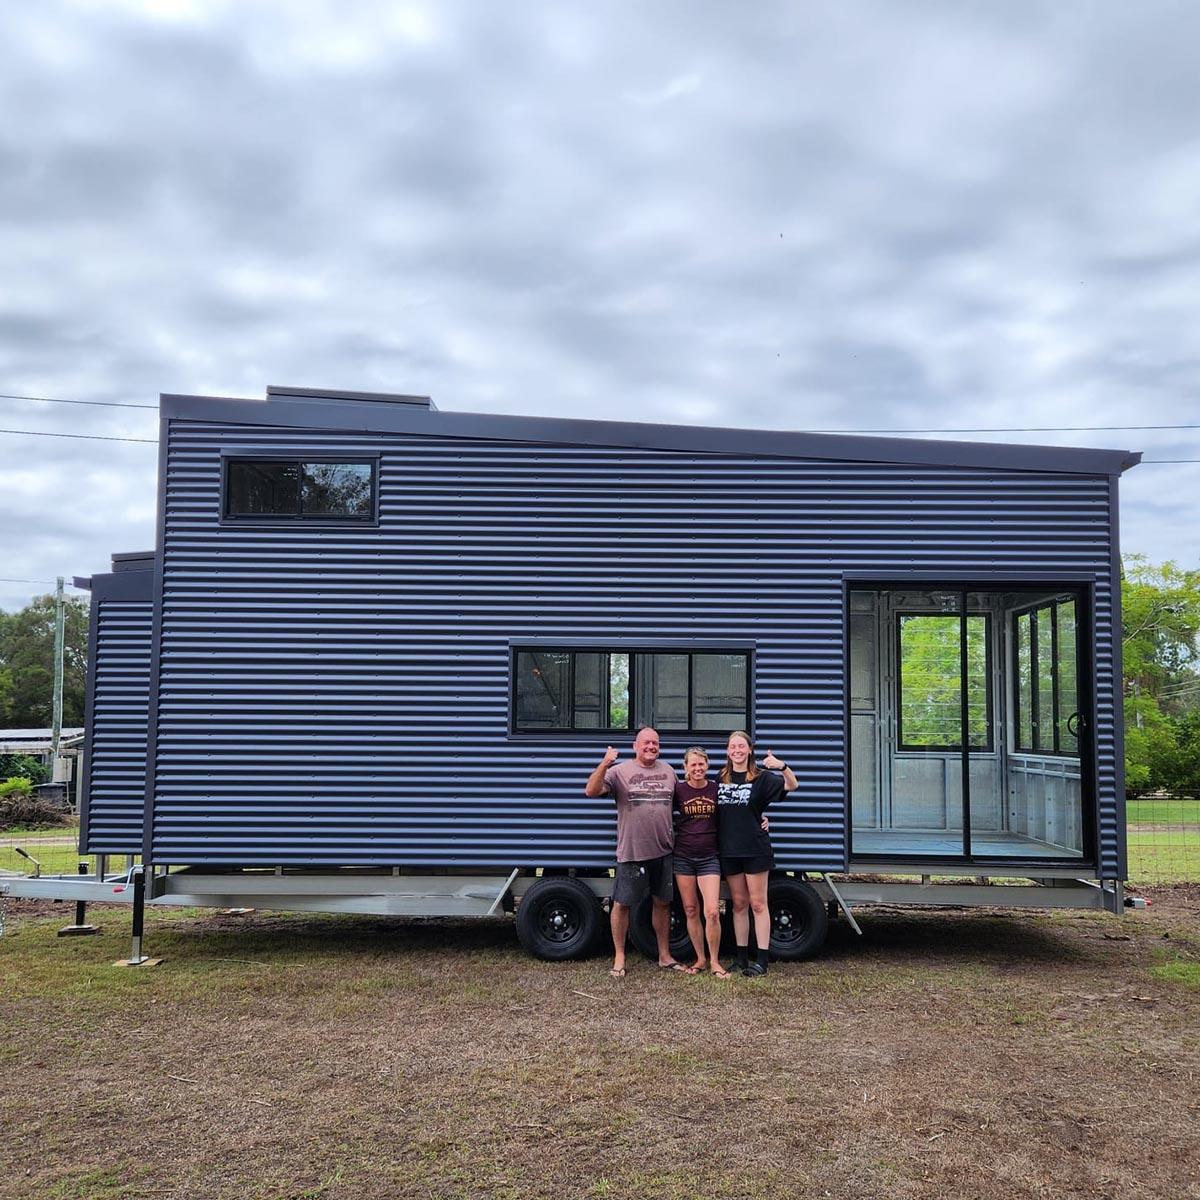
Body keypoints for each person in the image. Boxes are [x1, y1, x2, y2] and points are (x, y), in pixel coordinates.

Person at [584, 727, 685, 978]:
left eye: (655, 743)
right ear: (635, 746)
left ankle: (664, 955)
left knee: (663, 903)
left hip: (664, 851)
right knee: (622, 904)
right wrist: (605, 763)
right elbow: (591, 791)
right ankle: (619, 956)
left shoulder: (669, 771)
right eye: (646, 742)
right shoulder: (619, 771)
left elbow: (685, 806)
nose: (651, 746)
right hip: (631, 852)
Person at [717, 730, 797, 978]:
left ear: (750, 750)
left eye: (742, 746)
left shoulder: (762, 778)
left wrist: (781, 766)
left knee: (758, 904)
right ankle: (741, 958)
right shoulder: (721, 777)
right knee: (738, 904)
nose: (737, 750)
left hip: (755, 850)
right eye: (733, 747)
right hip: (729, 850)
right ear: (728, 751)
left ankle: (761, 960)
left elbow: (792, 785)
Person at [672, 747, 727, 978]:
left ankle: (715, 961)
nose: (697, 768)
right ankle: (700, 958)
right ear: (685, 768)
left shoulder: (716, 788)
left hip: (709, 858)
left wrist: (762, 818)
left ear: (707, 765)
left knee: (712, 911)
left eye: (701, 764)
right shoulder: (678, 790)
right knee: (690, 909)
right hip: (683, 857)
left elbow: (738, 810)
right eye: (692, 765)